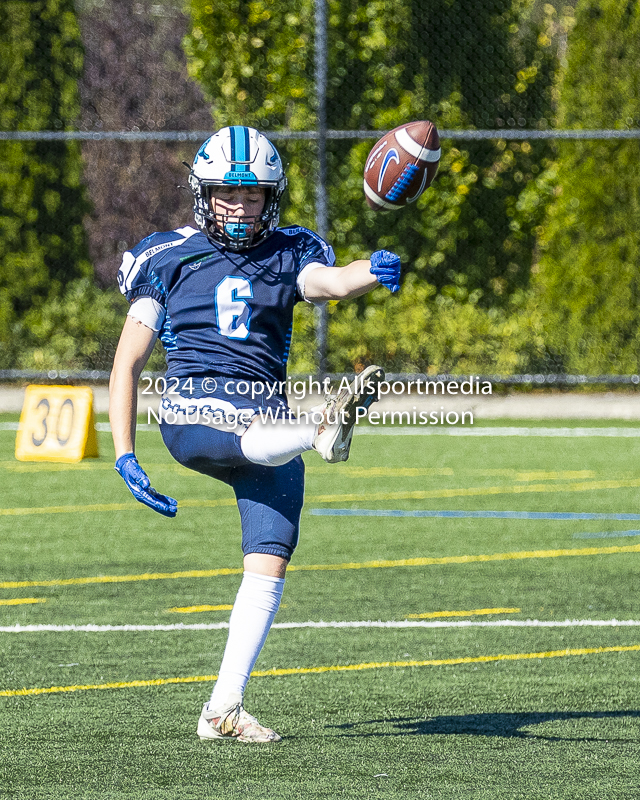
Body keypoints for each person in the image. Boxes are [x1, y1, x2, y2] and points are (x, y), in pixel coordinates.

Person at [109, 125, 401, 743]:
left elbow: (330, 282)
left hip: (266, 417)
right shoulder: (166, 257)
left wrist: (369, 271)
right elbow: (127, 362)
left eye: (253, 196)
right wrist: (124, 452)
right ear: (204, 194)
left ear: (272, 197)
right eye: (228, 194)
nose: (240, 207)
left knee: (269, 561)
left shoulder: (289, 250)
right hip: (192, 410)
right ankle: (320, 431)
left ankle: (223, 707)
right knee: (271, 435)